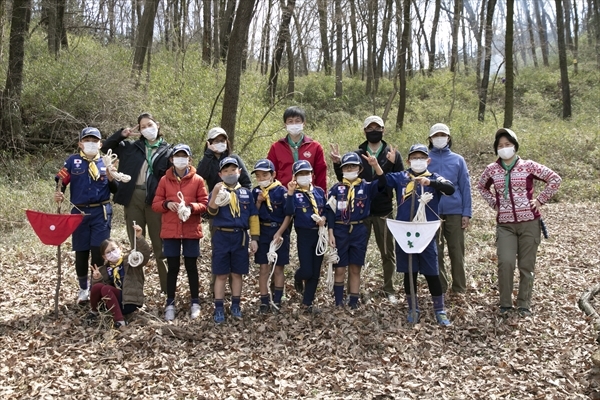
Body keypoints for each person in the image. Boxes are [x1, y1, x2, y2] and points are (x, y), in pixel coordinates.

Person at [477, 128, 561, 316]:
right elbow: (481, 186)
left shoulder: (529, 166)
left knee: (526, 265)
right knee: (505, 262)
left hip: (530, 223)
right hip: (505, 225)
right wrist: (494, 203)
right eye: (500, 146)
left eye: (508, 144)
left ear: (514, 146)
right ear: (496, 149)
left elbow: (555, 179)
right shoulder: (492, 169)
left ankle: (524, 304)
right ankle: (505, 303)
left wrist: (540, 200)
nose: (504, 148)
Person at [330, 115, 404, 304]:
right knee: (354, 254)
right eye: (369, 128)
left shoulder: (391, 152)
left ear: (383, 130)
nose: (373, 131)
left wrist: (391, 163)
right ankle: (351, 292)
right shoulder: (357, 153)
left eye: (377, 127)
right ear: (364, 131)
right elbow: (344, 181)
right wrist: (337, 164)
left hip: (383, 209)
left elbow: (400, 181)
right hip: (359, 214)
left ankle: (389, 288)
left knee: (387, 252)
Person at [384, 144, 455, 325]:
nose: (418, 161)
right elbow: (383, 181)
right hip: (405, 232)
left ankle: (439, 309)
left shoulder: (433, 178)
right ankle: (413, 307)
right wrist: (385, 164)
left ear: (428, 160)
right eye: (414, 158)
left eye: (421, 158)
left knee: (432, 271)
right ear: (408, 160)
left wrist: (430, 183)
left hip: (426, 232)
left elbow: (450, 188)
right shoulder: (402, 177)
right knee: (410, 271)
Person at [103, 113, 172, 293]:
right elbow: (106, 147)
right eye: (142, 127)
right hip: (133, 197)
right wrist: (121, 134)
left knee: (160, 247)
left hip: (156, 200)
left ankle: (167, 292)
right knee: (136, 247)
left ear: (157, 125)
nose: (147, 128)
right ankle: (134, 292)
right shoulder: (131, 147)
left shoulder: (169, 150)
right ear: (139, 130)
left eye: (150, 124)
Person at [55, 127, 117, 303]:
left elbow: (115, 190)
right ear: (80, 143)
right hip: (79, 212)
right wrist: (59, 193)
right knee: (81, 252)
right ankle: (83, 289)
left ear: (100, 144)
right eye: (87, 140)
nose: (91, 143)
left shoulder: (106, 162)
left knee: (99, 251)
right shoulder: (72, 161)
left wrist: (112, 177)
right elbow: (61, 180)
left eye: (94, 140)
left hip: (101, 211)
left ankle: (97, 287)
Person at [152, 144, 209, 321]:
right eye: (177, 156)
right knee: (173, 267)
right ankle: (170, 303)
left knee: (192, 267)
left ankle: (195, 302)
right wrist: (167, 204)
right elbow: (155, 204)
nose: (181, 159)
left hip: (191, 230)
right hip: (170, 231)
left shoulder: (198, 180)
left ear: (190, 159)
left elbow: (205, 204)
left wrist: (191, 207)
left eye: (184, 156)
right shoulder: (164, 180)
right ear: (171, 159)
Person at [326, 152, 384, 309]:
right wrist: (330, 232)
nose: (350, 169)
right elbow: (330, 211)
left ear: (359, 169)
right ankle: (338, 302)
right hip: (339, 230)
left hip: (359, 229)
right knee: (339, 268)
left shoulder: (366, 186)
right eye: (346, 167)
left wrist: (376, 166)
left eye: (353, 166)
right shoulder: (336, 189)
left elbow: (382, 183)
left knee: (355, 267)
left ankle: (353, 301)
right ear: (342, 169)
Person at [207, 157, 259, 323]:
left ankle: (236, 305)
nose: (230, 173)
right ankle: (219, 308)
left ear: (239, 172)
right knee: (221, 274)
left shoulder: (245, 193)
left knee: (237, 273)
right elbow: (210, 213)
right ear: (220, 174)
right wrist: (215, 194)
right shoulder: (217, 191)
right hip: (221, 235)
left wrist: (255, 238)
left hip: (240, 237)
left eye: (233, 170)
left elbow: (253, 216)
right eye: (226, 171)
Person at [427, 123, 472, 295]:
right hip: (432, 211)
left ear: (448, 138)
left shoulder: (458, 160)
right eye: (436, 135)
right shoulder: (426, 159)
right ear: (430, 139)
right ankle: (440, 287)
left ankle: (459, 288)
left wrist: (466, 212)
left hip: (455, 211)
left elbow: (465, 187)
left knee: (456, 251)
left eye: (443, 135)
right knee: (435, 251)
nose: (440, 138)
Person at [87, 223, 151, 329]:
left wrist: (139, 237)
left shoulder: (131, 260)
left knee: (106, 288)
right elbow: (100, 291)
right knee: (98, 287)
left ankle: (120, 321)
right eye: (108, 252)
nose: (112, 253)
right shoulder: (104, 269)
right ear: (104, 256)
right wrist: (97, 279)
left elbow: (144, 256)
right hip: (112, 303)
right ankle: (93, 312)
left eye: (113, 249)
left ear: (120, 248)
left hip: (129, 301)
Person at [285, 160, 327, 314]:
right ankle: (298, 276)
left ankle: (307, 303)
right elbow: (288, 212)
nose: (304, 176)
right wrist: (290, 193)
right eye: (300, 174)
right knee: (307, 271)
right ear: (294, 177)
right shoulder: (294, 194)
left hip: (319, 235)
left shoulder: (319, 192)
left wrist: (324, 218)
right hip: (304, 235)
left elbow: (327, 209)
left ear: (312, 175)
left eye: (307, 173)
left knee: (315, 272)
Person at [251, 159, 292, 314]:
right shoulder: (255, 192)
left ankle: (277, 299)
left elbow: (288, 215)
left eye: (265, 175)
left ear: (273, 174)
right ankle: (264, 300)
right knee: (263, 267)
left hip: (279, 232)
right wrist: (259, 202)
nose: (262, 178)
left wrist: (280, 232)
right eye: (259, 176)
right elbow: (252, 214)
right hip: (262, 231)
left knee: (278, 267)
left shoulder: (282, 191)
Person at [267, 106, 327, 190]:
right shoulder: (276, 147)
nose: (294, 124)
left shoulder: (315, 147)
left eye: (297, 121)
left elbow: (321, 174)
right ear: (285, 124)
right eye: (290, 121)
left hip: (309, 195)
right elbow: (270, 174)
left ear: (304, 123)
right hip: (284, 194)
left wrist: (321, 196)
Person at [196, 127, 252, 192]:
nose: (220, 143)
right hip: (216, 198)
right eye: (216, 141)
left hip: (237, 198)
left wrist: (246, 197)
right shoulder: (206, 161)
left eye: (222, 141)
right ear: (209, 143)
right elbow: (199, 177)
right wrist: (208, 154)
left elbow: (246, 182)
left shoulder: (234, 158)